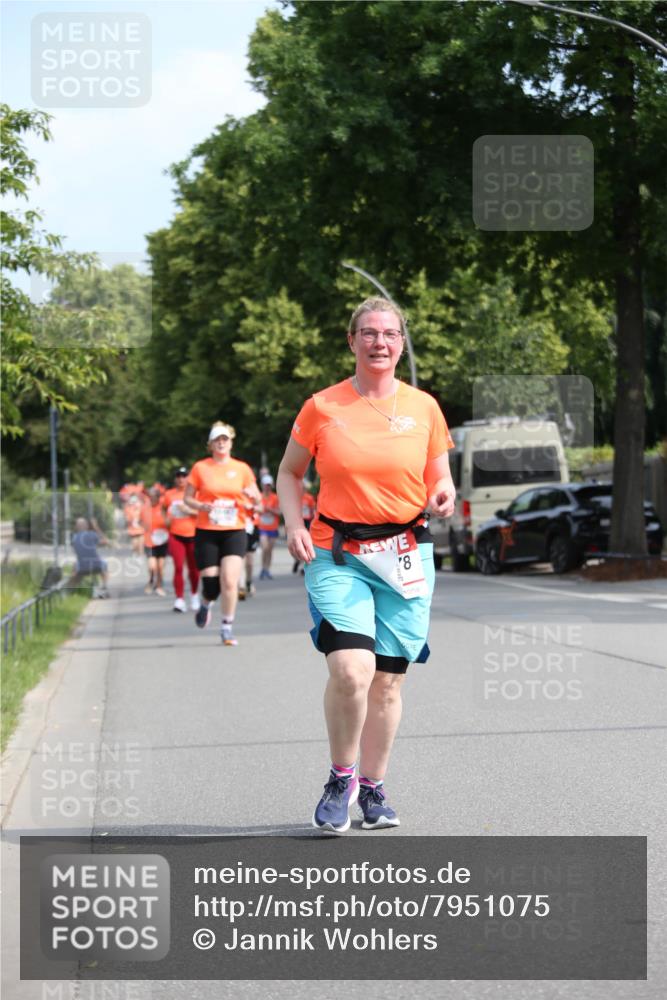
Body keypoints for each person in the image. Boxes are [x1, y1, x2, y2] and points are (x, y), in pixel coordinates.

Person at [277, 296, 456, 833]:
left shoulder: (424, 407)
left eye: (391, 334)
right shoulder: (322, 407)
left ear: (402, 343)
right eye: (369, 333)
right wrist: (292, 524)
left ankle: (374, 788)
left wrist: (444, 492)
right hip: (338, 552)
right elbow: (290, 473)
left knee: (387, 683)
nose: (380, 342)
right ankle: (341, 778)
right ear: (351, 341)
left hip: (404, 553)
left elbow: (439, 476)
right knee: (351, 671)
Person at [184, 422, 261, 645]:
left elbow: (256, 497)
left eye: (225, 439)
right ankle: (206, 603)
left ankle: (227, 627)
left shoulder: (242, 468)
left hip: (234, 529)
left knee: (229, 581)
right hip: (207, 530)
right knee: (211, 585)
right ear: (210, 444)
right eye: (217, 439)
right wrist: (200, 506)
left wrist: (251, 495)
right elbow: (188, 497)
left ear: (230, 442)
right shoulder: (200, 468)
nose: (221, 442)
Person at [163, 467, 200, 613]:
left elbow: (203, 512)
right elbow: (163, 509)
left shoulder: (195, 494)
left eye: (184, 476)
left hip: (193, 534)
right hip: (175, 534)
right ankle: (179, 599)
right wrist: (166, 520)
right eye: (178, 476)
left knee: (194, 568)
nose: (181, 479)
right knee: (178, 567)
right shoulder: (169, 494)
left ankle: (194, 595)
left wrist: (189, 511)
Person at [67, 517, 110, 597]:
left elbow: (77, 551)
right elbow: (106, 541)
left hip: (82, 567)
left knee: (75, 570)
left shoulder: (74, 538)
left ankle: (68, 592)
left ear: (76, 527)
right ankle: (104, 587)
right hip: (96, 565)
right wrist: (96, 527)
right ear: (86, 526)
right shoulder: (92, 534)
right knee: (105, 565)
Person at [143, 487, 169, 596]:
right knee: (152, 566)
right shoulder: (145, 509)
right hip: (149, 541)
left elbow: (169, 522)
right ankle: (151, 581)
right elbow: (142, 524)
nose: (152, 499)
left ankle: (158, 586)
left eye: (154, 497)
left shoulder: (163, 508)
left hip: (162, 541)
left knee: (160, 567)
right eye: (150, 497)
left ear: (158, 498)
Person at [258, 474, 281, 580]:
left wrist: (270, 509)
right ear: (262, 485)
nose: (267, 487)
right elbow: (255, 510)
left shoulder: (275, 497)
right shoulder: (258, 496)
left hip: (273, 527)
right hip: (262, 527)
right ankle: (263, 568)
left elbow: (280, 512)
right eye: (265, 485)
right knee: (264, 547)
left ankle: (267, 569)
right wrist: (261, 509)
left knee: (270, 550)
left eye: (269, 485)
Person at [292, 482, 316, 574]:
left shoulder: (309, 498)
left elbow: (313, 509)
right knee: (296, 544)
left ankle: (303, 566)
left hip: (307, 521)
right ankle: (297, 560)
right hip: (297, 522)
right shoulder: (294, 497)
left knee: (305, 543)